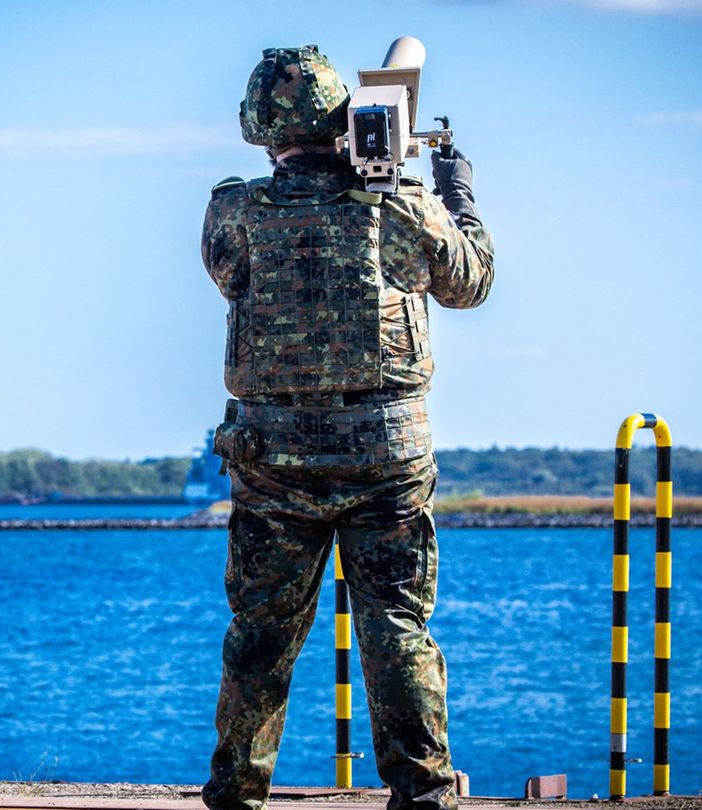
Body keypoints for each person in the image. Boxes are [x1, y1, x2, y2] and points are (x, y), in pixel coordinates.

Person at [200, 46, 494, 810]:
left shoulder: (235, 213)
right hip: (385, 458)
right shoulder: (397, 208)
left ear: (260, 130)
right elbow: (470, 282)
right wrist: (455, 193)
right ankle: (424, 792)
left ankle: (237, 793)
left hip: (274, 461)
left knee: (262, 632)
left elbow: (228, 271)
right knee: (395, 625)